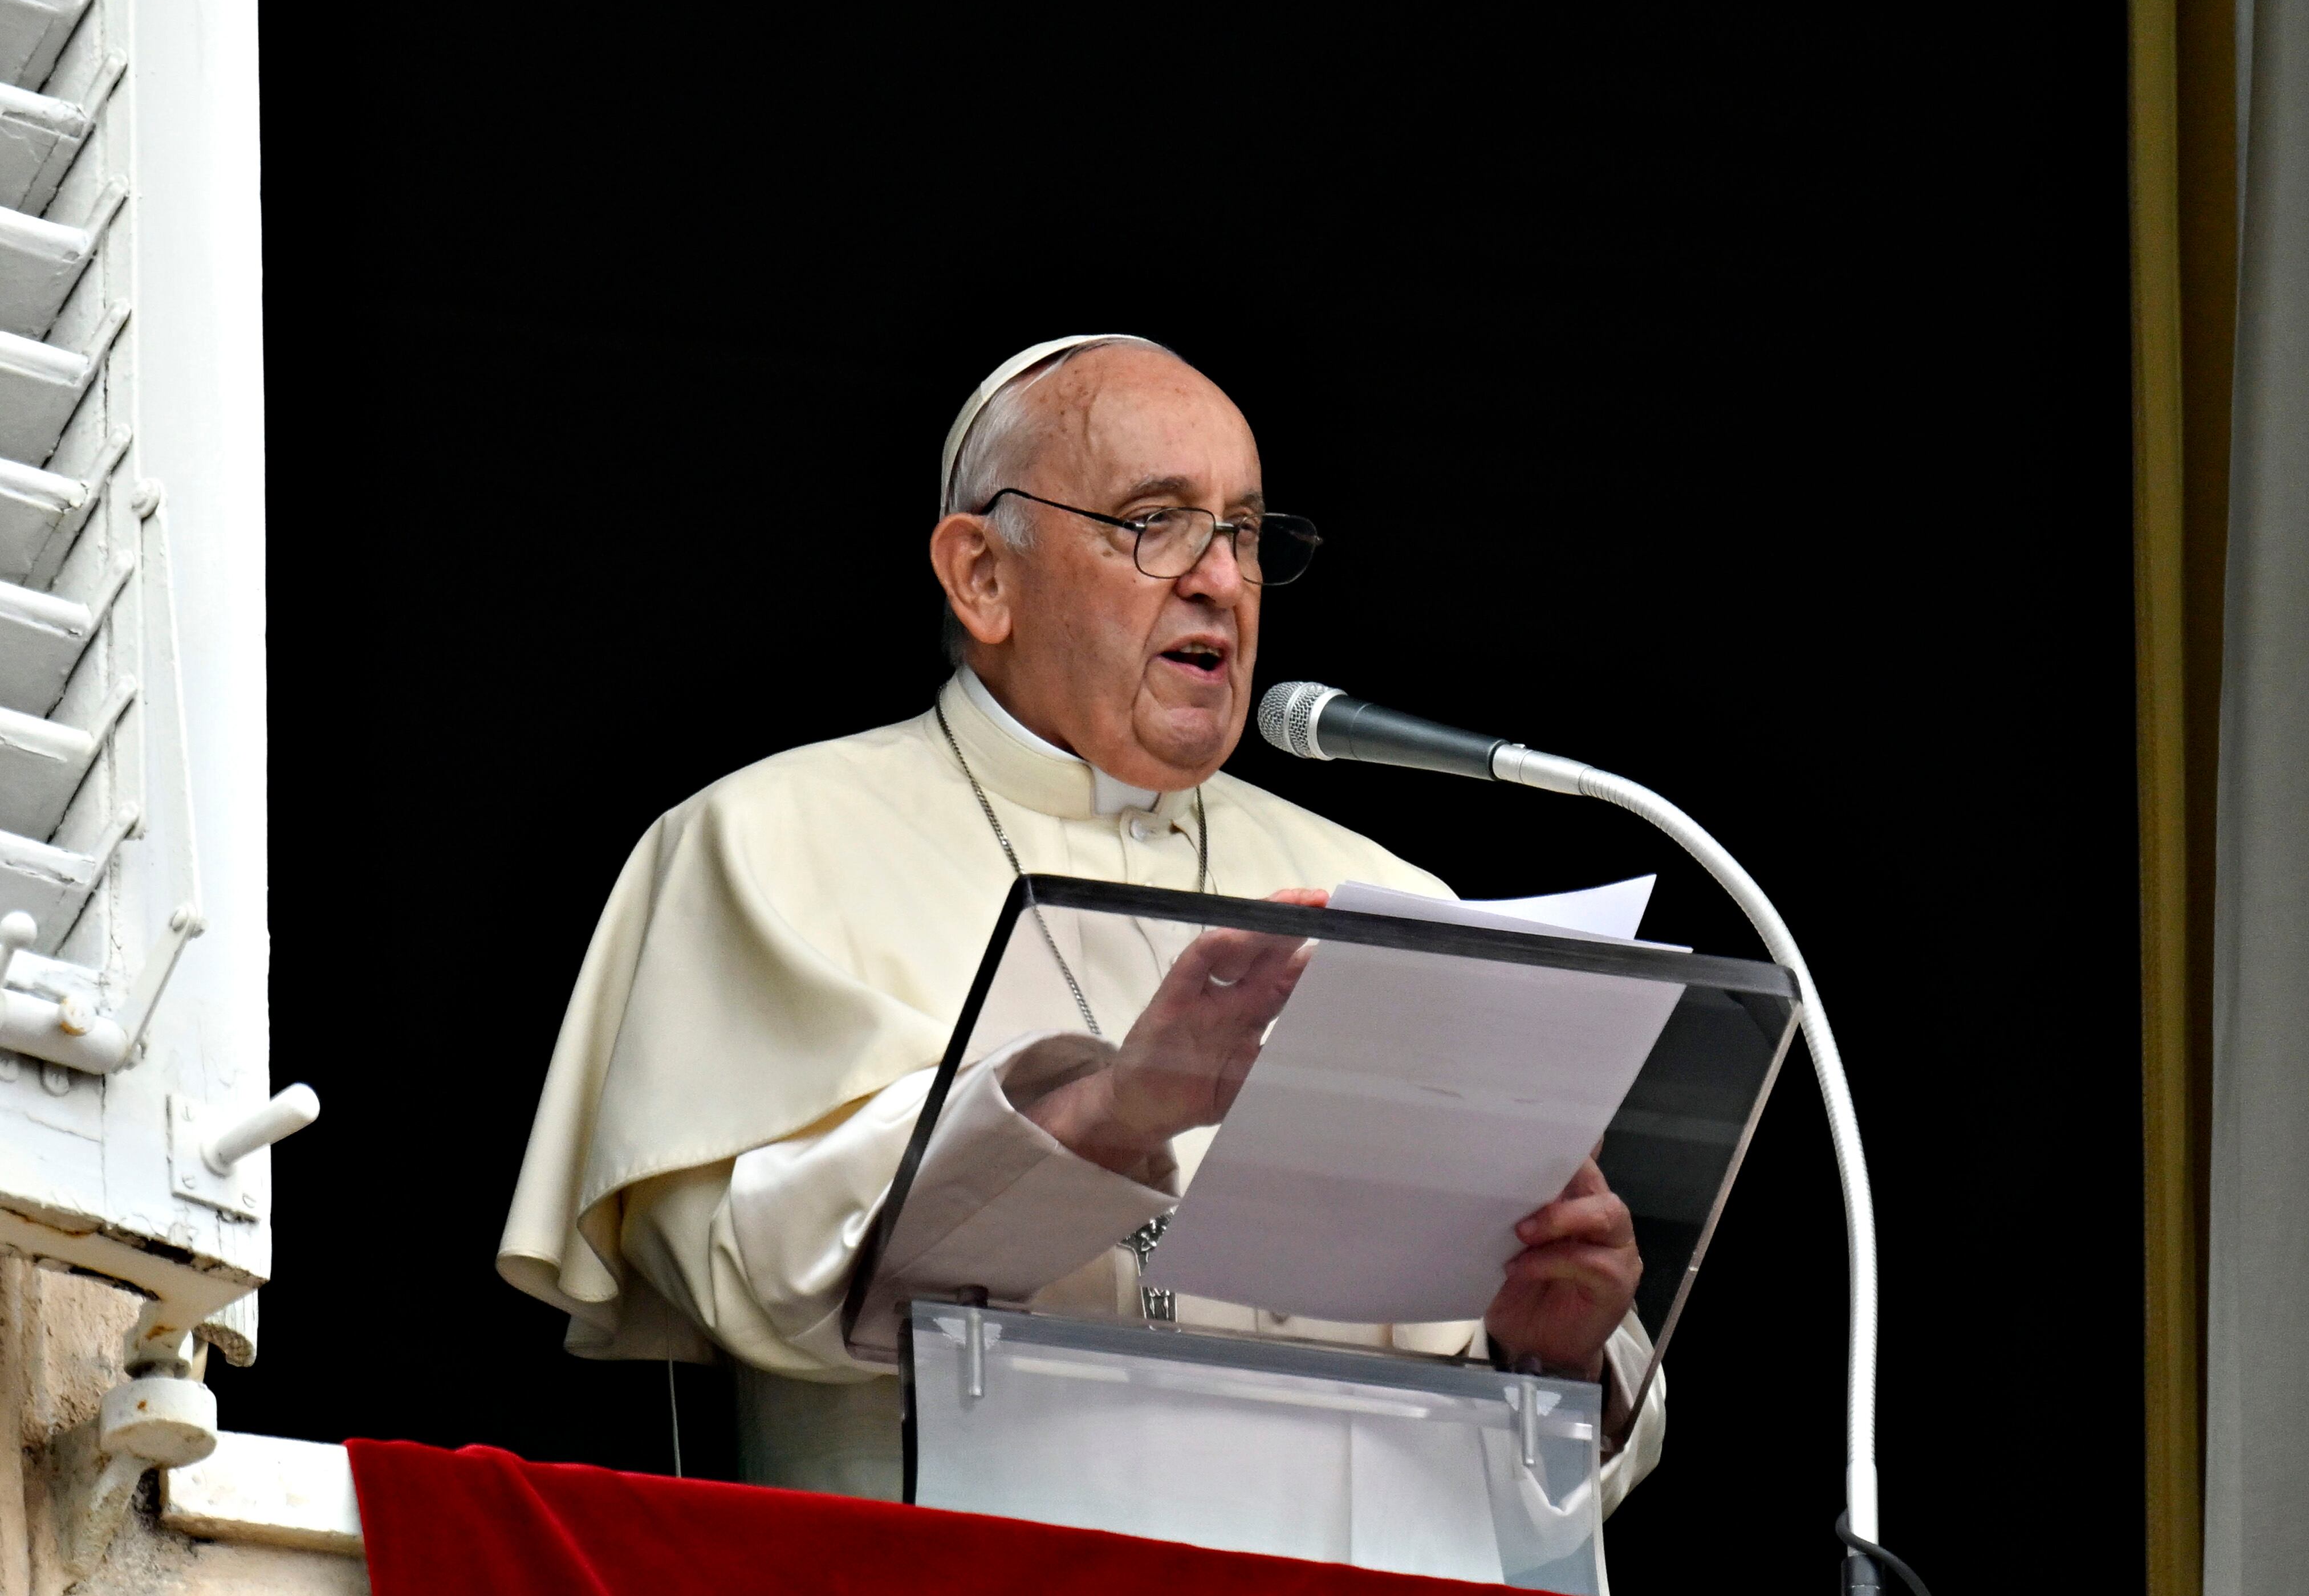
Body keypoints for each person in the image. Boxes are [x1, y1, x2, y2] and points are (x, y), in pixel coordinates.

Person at [496, 335, 1666, 1517]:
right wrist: (1106, 1113)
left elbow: (1541, 1471)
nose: (1219, 578)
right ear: (982, 576)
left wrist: (1558, 1359)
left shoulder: (1383, 894)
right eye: (1156, 522)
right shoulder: (761, 839)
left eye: (1247, 533)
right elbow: (758, 1273)